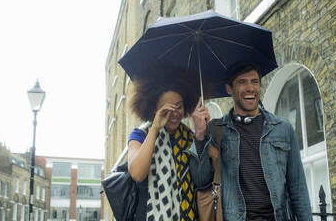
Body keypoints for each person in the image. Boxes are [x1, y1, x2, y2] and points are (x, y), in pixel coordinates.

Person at [190, 62, 313, 221]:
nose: (250, 88)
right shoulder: (216, 130)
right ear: (229, 89)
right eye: (242, 82)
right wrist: (200, 134)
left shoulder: (283, 128)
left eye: (254, 81)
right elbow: (200, 181)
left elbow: (298, 188)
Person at [127, 77, 200, 221]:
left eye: (178, 106)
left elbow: (202, 180)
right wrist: (155, 128)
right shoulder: (140, 134)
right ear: (155, 109)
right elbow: (137, 174)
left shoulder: (191, 137)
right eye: (167, 109)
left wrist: (201, 134)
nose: (174, 113)